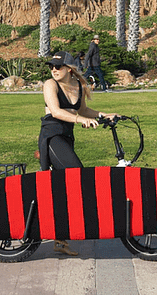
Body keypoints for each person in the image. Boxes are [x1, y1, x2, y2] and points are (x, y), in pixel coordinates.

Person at [38, 50, 119, 256]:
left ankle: (59, 238)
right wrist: (80, 120)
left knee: (64, 187)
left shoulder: (78, 86)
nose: (54, 69)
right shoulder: (50, 84)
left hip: (66, 138)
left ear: (69, 68)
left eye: (58, 66)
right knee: (77, 176)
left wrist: (104, 115)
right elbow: (56, 111)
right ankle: (73, 226)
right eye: (51, 66)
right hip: (52, 137)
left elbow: (83, 111)